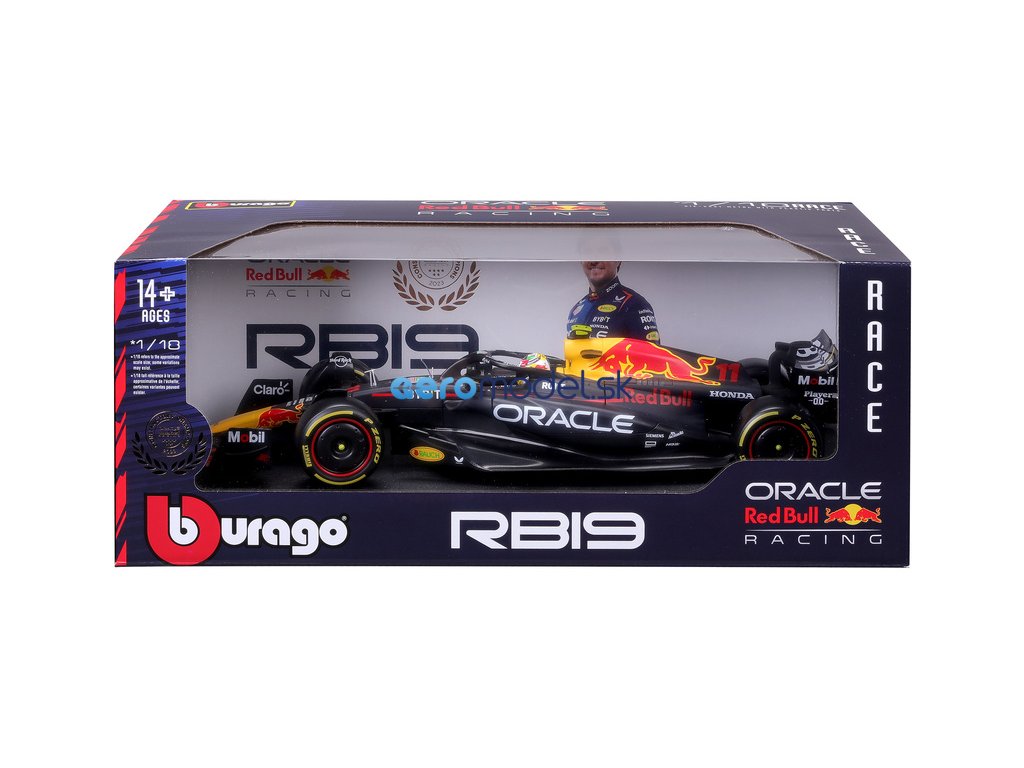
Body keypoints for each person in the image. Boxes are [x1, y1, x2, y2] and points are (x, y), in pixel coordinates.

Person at [566, 243, 660, 341]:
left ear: (618, 260)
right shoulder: (576, 309)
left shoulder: (634, 304)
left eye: (603, 252)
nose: (594, 261)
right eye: (587, 253)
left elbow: (651, 350)